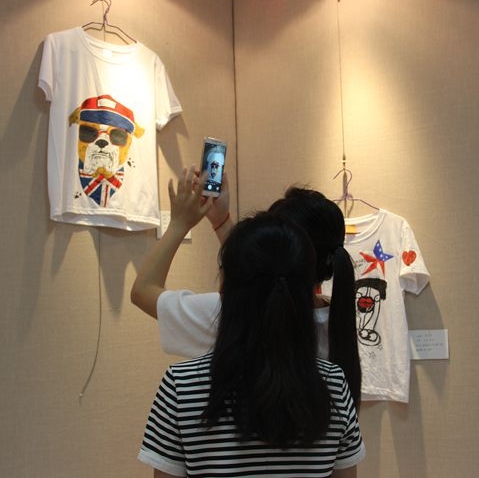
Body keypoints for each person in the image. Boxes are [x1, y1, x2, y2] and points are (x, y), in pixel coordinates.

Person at [137, 174, 365, 476]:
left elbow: (143, 290)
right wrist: (223, 224)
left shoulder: (183, 383)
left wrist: (181, 222)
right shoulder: (335, 369)